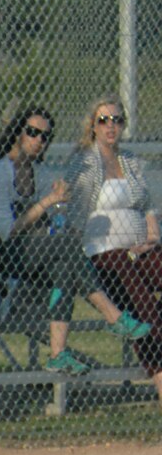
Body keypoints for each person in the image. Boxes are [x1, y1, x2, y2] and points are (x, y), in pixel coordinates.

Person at [0, 106, 148, 375]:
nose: (38, 140)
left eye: (44, 136)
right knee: (66, 249)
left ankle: (58, 354)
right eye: (32, 132)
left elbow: (44, 222)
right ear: (17, 133)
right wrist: (48, 201)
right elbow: (9, 230)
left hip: (19, 253)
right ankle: (113, 315)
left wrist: (57, 206)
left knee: (65, 264)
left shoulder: (35, 171)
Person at [67, 96, 162, 401]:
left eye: (117, 120)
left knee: (150, 287)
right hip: (104, 254)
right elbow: (76, 215)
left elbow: (146, 202)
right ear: (92, 126)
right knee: (142, 307)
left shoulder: (130, 160)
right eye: (104, 120)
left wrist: (151, 228)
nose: (111, 126)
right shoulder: (85, 161)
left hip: (139, 249)